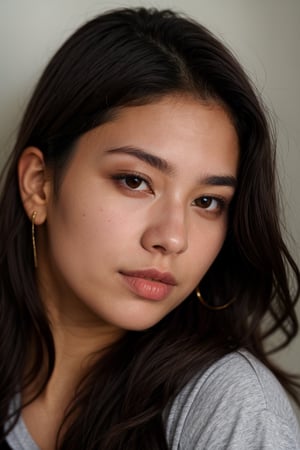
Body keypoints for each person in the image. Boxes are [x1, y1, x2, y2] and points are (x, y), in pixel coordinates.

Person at [0, 6, 299, 450]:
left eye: (207, 202)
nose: (173, 237)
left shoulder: (230, 407)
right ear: (39, 185)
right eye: (136, 181)